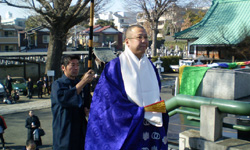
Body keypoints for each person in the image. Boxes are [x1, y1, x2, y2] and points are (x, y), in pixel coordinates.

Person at [85, 25, 169, 150]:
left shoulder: (151, 66)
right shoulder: (115, 67)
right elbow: (107, 103)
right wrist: (140, 112)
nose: (144, 41)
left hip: (153, 126)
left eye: (146, 37)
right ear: (127, 42)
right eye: (139, 37)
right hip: (129, 128)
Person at [51, 55, 95, 150]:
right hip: (64, 135)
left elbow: (89, 103)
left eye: (78, 65)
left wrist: (89, 111)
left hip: (80, 134)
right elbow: (64, 99)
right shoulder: (57, 85)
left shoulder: (83, 85)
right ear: (63, 67)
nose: (76, 68)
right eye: (72, 65)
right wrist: (83, 82)